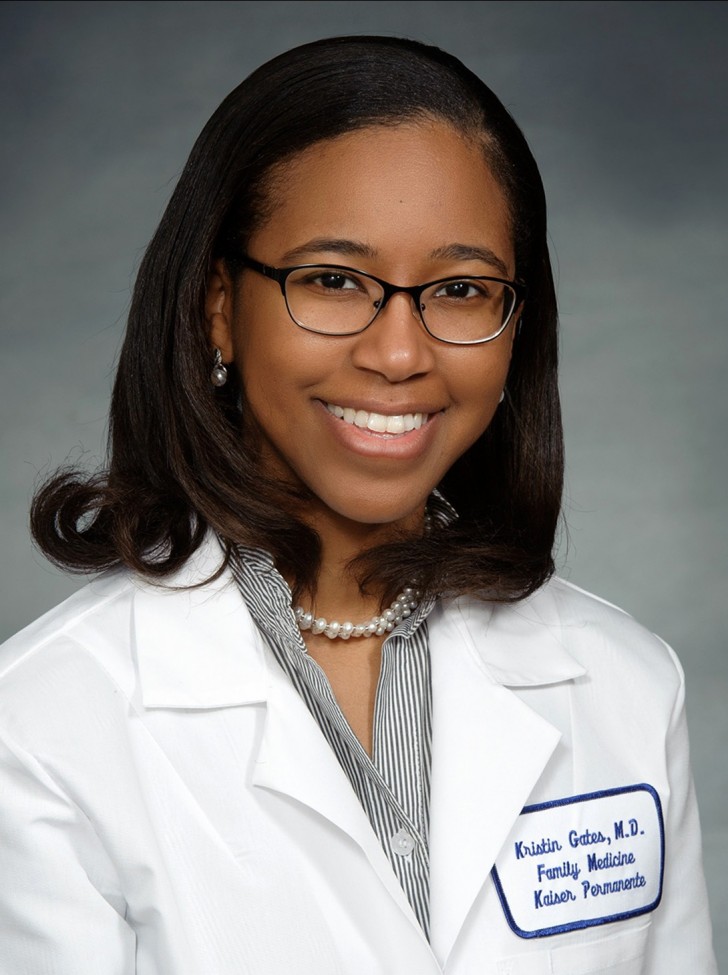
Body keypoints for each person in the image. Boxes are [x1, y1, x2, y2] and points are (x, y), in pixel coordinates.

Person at [0, 35, 716, 975]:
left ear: (516, 327)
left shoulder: (626, 686)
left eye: (461, 290)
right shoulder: (42, 724)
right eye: (333, 280)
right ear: (219, 306)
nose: (398, 353)